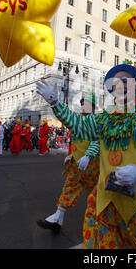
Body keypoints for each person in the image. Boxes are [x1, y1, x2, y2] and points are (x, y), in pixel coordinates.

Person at [36, 64, 136, 249]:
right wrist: (55, 103)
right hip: (104, 204)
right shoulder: (104, 117)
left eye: (125, 81)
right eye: (115, 83)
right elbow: (79, 125)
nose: (120, 86)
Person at [37, 95, 100, 233]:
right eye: (82, 103)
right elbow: (78, 143)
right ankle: (58, 217)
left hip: (92, 166)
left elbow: (98, 140)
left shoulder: (96, 120)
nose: (84, 106)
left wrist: (89, 155)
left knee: (96, 192)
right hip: (77, 164)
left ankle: (103, 220)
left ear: (94, 107)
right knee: (69, 187)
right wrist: (71, 155)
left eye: (87, 104)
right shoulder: (79, 120)